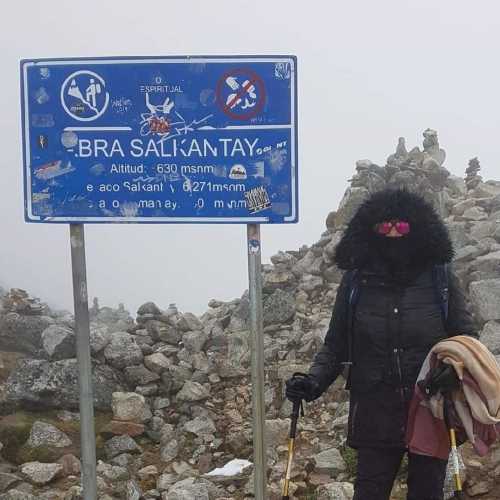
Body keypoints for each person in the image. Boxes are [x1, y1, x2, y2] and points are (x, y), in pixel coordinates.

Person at [285, 188, 477, 500]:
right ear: (369, 230)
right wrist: (312, 382)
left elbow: (466, 339)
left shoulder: (438, 277)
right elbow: (335, 345)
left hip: (429, 407)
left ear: (417, 228)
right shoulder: (356, 281)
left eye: (401, 226)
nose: (392, 233)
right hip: (374, 413)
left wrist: (455, 369)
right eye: (384, 227)